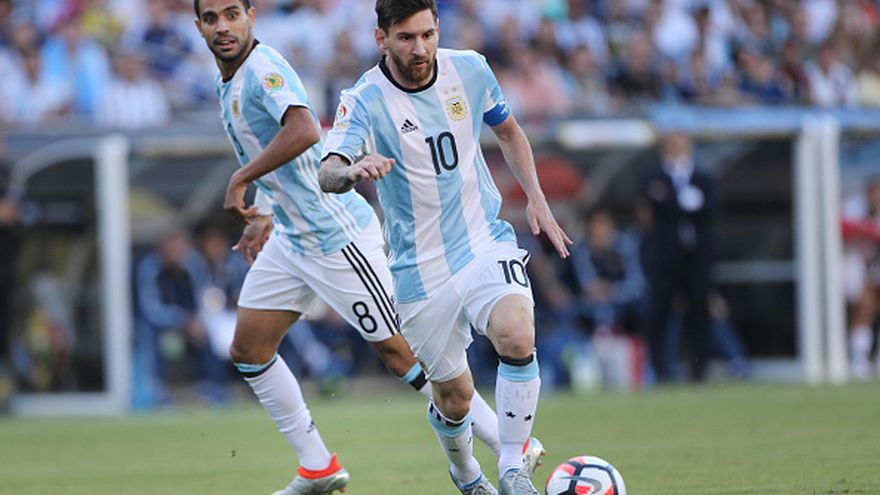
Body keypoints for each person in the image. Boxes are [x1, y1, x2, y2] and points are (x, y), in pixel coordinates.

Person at [192, 1, 522, 494]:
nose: (223, 26)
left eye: (231, 14)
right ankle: (317, 466)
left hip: (335, 235)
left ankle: (509, 445)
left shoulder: (262, 69)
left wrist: (241, 178)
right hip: (291, 235)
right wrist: (265, 207)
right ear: (198, 26)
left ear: (251, 16)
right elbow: (284, 162)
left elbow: (304, 130)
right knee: (249, 349)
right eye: (211, 18)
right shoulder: (229, 80)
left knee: (402, 354)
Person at [319, 2, 571, 493]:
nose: (420, 48)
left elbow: (509, 132)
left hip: (481, 239)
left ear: (438, 29)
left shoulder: (471, 69)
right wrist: (351, 171)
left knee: (517, 334)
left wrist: (537, 198)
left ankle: (513, 468)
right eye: (406, 38)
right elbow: (327, 171)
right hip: (418, 267)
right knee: (455, 398)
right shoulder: (364, 98)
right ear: (381, 38)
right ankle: (466, 473)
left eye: (428, 34)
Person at [638, 130, 717, 383]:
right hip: (664, 259)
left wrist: (672, 202)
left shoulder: (702, 177)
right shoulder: (653, 176)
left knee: (699, 312)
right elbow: (651, 209)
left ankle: (699, 370)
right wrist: (681, 203)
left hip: (696, 258)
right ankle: (660, 370)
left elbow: (710, 209)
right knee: (659, 312)